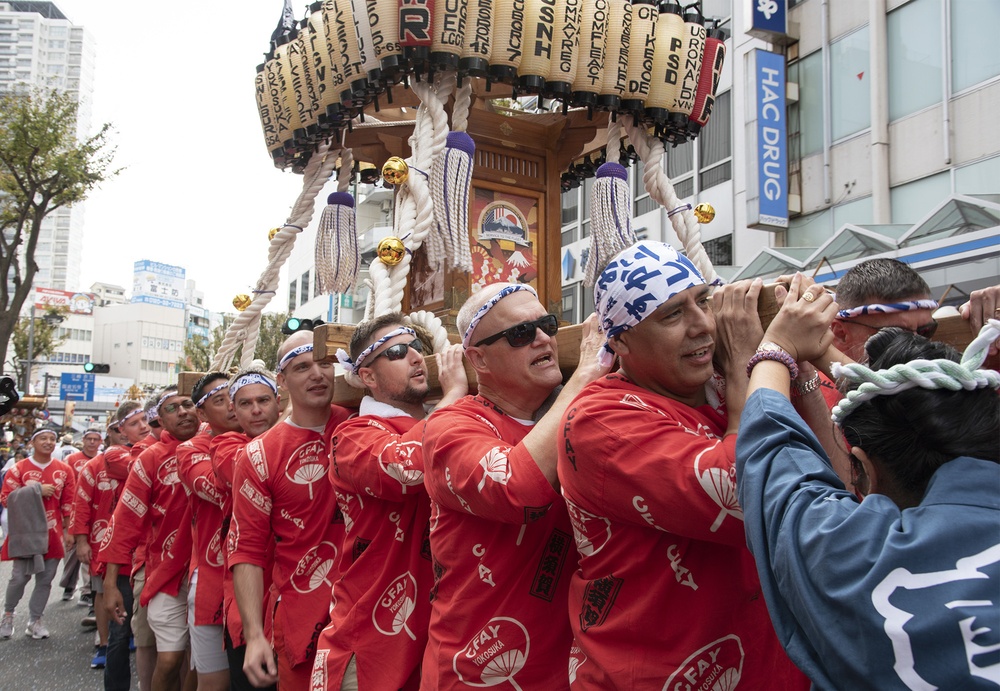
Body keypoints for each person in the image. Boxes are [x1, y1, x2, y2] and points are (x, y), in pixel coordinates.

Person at [555, 242, 809, 689]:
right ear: (622, 342)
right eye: (673, 315)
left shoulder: (717, 386)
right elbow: (743, 492)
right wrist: (753, 365)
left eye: (704, 302)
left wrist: (801, 359)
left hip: (768, 666)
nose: (704, 325)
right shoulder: (599, 420)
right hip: (654, 674)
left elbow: (841, 481)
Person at [737, 275, 1000, 689]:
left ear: (863, 468)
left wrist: (775, 349)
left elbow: (772, 457)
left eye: (925, 330)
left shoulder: (855, 558)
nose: (915, 336)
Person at [419, 283, 608, 689]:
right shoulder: (451, 426)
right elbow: (519, 489)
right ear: (478, 359)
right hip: (477, 669)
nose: (542, 339)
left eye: (547, 325)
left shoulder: (584, 411)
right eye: (521, 334)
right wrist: (584, 378)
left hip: (571, 669)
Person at [312, 314, 468, 690]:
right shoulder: (352, 436)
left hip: (445, 636)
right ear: (367, 376)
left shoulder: (453, 418)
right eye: (397, 352)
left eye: (417, 347)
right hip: (370, 639)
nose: (415, 357)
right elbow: (408, 468)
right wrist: (454, 395)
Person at [229, 331, 353, 688]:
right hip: (301, 619)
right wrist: (254, 635)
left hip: (371, 610)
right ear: (281, 381)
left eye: (325, 363)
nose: (317, 374)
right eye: (302, 367)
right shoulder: (258, 455)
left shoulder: (362, 426)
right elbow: (247, 550)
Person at [102, 386, 199, 691]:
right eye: (172, 408)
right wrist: (110, 582)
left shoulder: (221, 444)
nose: (182, 411)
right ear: (159, 420)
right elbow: (126, 521)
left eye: (188, 404)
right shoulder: (149, 459)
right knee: (164, 657)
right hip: (161, 572)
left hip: (209, 571)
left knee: (200, 661)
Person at [215, 366, 281, 691]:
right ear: (233, 410)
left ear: (278, 401)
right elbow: (251, 460)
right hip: (248, 598)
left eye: (264, 400)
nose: (256, 410)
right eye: (245, 403)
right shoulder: (225, 447)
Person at [177, 373, 242, 691]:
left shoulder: (265, 436)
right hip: (213, 579)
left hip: (266, 578)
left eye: (236, 396)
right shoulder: (190, 451)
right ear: (201, 414)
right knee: (215, 683)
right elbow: (224, 488)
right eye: (220, 401)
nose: (233, 406)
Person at [0, 428, 75, 640]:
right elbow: (6, 499)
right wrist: (36, 490)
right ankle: (8, 615)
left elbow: (69, 503)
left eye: (52, 439)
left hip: (53, 532)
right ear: (33, 442)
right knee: (18, 578)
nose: (49, 442)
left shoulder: (64, 470)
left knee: (46, 579)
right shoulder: (18, 469)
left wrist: (70, 531)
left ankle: (35, 620)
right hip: (26, 532)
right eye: (43, 438)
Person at [102, 400, 154, 691]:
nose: (144, 427)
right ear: (121, 430)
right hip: (125, 557)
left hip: (154, 553)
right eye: (135, 423)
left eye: (148, 420)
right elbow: (144, 465)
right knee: (121, 632)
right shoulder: (115, 455)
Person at [71, 424, 126, 669]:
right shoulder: (93, 466)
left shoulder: (142, 459)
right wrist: (81, 541)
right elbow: (81, 504)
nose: (125, 432)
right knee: (103, 592)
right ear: (110, 434)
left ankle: (126, 635)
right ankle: (104, 643)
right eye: (121, 427)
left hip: (134, 543)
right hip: (100, 540)